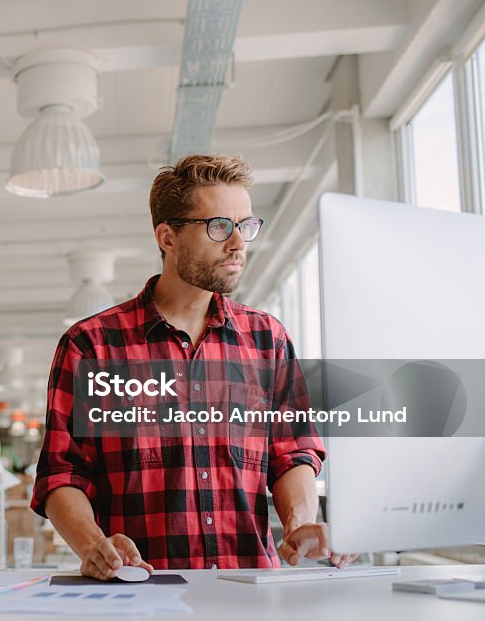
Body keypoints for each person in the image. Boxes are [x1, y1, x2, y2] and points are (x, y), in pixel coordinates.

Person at [30, 153, 359, 579]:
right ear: (167, 237)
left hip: (249, 595)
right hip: (140, 594)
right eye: (219, 226)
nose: (238, 243)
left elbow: (291, 452)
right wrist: (95, 546)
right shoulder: (92, 345)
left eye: (245, 226)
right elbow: (63, 472)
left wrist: (299, 523)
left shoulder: (267, 340)